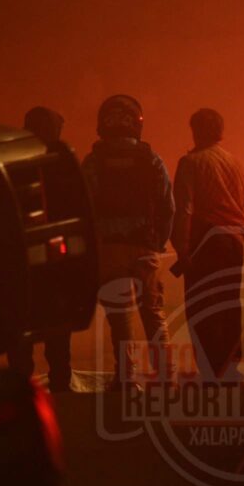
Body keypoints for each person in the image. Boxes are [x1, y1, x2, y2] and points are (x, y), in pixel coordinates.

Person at [81, 95, 174, 389]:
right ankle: (165, 377)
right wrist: (158, 242)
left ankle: (127, 377)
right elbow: (168, 206)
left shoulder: (93, 162)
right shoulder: (151, 159)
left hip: (109, 248)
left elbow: (84, 206)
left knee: (120, 319)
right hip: (145, 245)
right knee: (153, 314)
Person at [171, 108, 244, 380]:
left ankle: (209, 371)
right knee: (230, 307)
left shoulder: (190, 162)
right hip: (234, 243)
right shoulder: (235, 163)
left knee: (203, 308)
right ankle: (231, 368)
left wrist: (182, 249)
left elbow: (184, 209)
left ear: (196, 130)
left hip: (205, 243)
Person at [7, 106, 72, 391]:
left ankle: (24, 382)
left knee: (25, 319)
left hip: (24, 255)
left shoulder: (12, 158)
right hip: (55, 253)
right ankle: (60, 379)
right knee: (57, 318)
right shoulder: (62, 161)